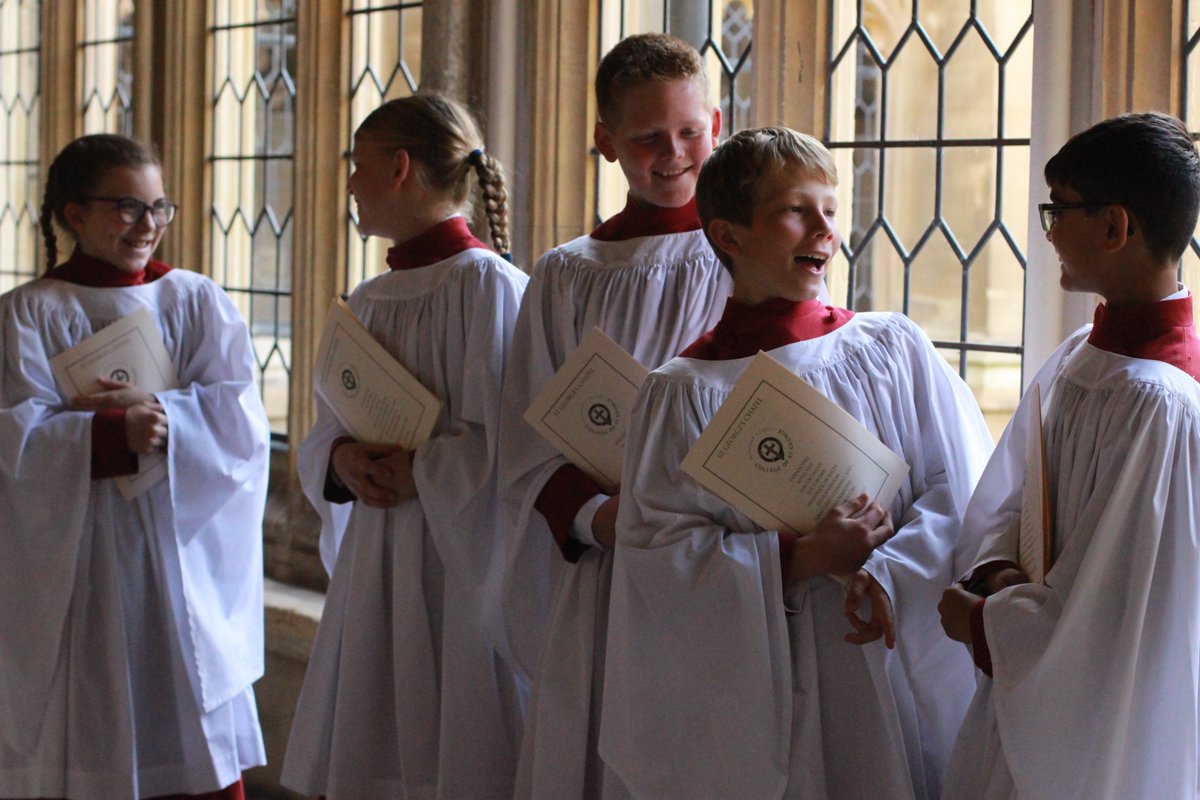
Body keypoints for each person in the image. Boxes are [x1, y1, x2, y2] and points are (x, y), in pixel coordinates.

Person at [599, 127, 994, 800]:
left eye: (831, 210)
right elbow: (658, 552)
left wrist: (884, 570)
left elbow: (955, 486)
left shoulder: (890, 349)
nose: (824, 229)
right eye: (795, 211)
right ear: (729, 235)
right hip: (760, 683)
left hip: (881, 644)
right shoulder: (683, 392)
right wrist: (801, 558)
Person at [938, 111, 1200, 800]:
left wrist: (986, 622)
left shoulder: (1161, 403)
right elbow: (1010, 496)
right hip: (1029, 683)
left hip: (1102, 720)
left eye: (1059, 209)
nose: (1048, 230)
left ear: (1115, 227)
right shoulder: (1076, 360)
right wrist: (994, 573)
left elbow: (1116, 608)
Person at [496, 32, 730, 800]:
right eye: (647, 138)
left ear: (717, 127)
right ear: (605, 141)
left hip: (723, 560)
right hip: (610, 562)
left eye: (689, 132)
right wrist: (599, 519)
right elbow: (527, 437)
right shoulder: (565, 277)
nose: (673, 154)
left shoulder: (754, 253)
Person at [0, 134, 269, 799]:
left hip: (175, 557)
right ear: (73, 213)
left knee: (184, 708)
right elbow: (12, 436)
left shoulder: (194, 301)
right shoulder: (28, 313)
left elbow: (240, 418)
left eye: (158, 208)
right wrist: (110, 432)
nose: (147, 226)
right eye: (126, 207)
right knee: (90, 718)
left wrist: (170, 419)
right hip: (79, 559)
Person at [279, 92, 529, 800]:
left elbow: (519, 444)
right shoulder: (368, 298)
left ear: (398, 168)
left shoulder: (491, 290)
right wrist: (340, 459)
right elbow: (329, 422)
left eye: (358, 165)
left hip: (457, 560)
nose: (351, 183)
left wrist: (427, 468)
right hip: (378, 549)